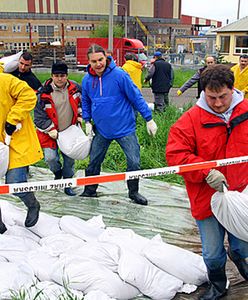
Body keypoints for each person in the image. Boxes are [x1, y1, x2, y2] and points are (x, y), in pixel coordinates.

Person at [166, 64, 248, 299]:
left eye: (223, 96)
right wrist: (206, 171)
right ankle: (219, 284)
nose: (218, 103)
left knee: (243, 245)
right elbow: (175, 154)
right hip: (206, 196)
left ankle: (238, 255)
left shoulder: (246, 111)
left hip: (241, 193)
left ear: (232, 90)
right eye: (212, 98)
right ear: (203, 93)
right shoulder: (191, 119)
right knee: (212, 253)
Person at [80, 44, 158, 206]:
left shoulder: (119, 75)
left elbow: (135, 96)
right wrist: (87, 121)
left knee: (134, 161)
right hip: (102, 129)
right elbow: (86, 101)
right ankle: (89, 190)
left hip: (125, 128)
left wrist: (148, 118)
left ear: (106, 57)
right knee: (94, 161)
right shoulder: (87, 80)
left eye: (100, 59)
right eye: (94, 61)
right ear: (89, 62)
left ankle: (133, 192)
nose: (98, 64)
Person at [0, 65, 43, 234]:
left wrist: (13, 119)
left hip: (15, 141)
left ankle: (32, 204)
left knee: (15, 182)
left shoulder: (6, 80)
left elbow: (28, 96)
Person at [34, 62, 82, 196]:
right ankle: (57, 173)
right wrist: (50, 129)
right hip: (50, 133)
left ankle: (67, 184)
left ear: (67, 76)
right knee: (50, 158)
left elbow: (84, 103)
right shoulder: (42, 93)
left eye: (62, 75)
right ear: (52, 76)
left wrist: (81, 115)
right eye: (56, 76)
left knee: (69, 161)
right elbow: (38, 117)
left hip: (69, 131)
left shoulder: (76, 88)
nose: (59, 79)